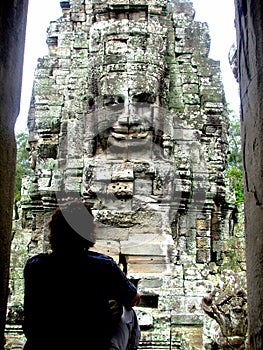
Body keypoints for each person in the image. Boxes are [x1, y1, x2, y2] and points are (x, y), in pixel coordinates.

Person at [22, 201, 140, 350]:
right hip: (90, 343)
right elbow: (134, 298)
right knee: (129, 313)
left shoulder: (35, 266)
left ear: (54, 231)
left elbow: (31, 319)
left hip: (43, 343)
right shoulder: (103, 266)